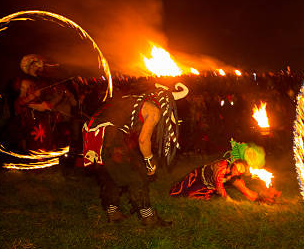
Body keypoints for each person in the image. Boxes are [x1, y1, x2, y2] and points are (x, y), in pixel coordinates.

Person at [81, 83, 188, 227]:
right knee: (136, 176)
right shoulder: (154, 110)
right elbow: (143, 140)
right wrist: (149, 162)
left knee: (112, 174)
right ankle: (148, 217)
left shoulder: (136, 100)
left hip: (92, 133)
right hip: (109, 136)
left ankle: (113, 213)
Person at [170, 139, 269, 202]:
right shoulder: (222, 166)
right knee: (177, 192)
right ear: (234, 163)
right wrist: (231, 202)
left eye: (242, 170)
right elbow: (219, 187)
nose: (240, 170)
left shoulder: (235, 176)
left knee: (192, 196)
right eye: (240, 167)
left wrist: (258, 197)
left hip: (207, 186)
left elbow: (245, 190)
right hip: (197, 176)